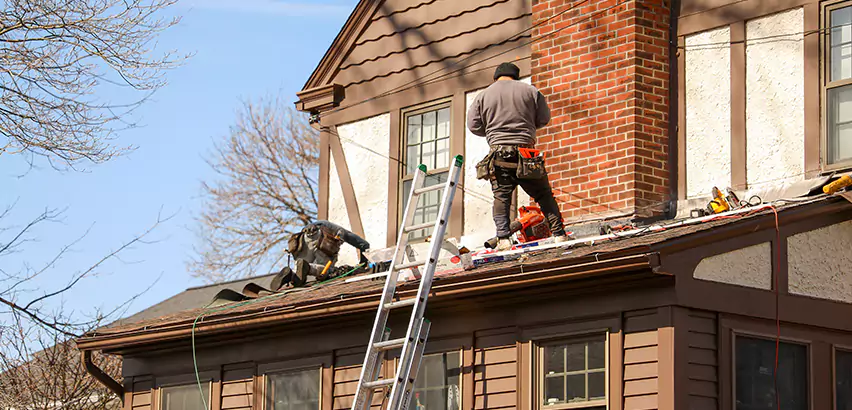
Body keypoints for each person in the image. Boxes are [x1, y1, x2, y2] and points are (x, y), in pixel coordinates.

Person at [466, 62, 569, 251]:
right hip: (526, 153)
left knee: (501, 197)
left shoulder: (484, 95)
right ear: (516, 76)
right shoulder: (530, 92)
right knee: (543, 194)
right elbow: (543, 119)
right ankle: (559, 234)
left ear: (496, 77)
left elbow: (473, 125)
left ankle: (503, 238)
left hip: (499, 153)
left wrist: (492, 131)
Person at [271, 220, 370, 289]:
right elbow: (364, 245)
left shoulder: (317, 223)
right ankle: (308, 268)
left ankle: (290, 274)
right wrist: (363, 263)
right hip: (321, 238)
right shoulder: (341, 232)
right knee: (325, 270)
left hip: (303, 237)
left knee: (300, 270)